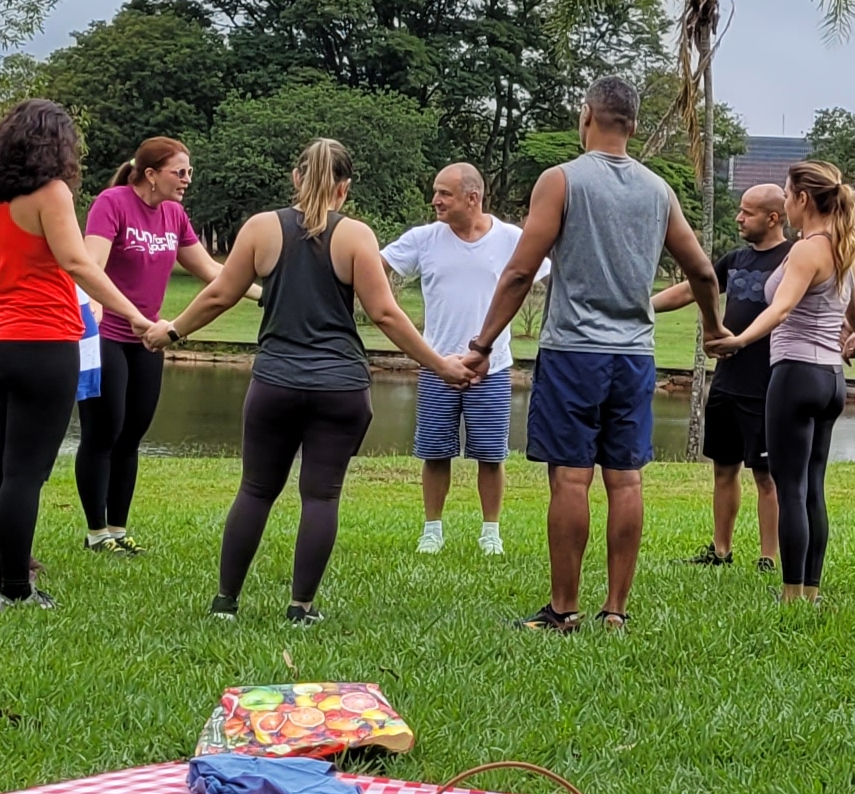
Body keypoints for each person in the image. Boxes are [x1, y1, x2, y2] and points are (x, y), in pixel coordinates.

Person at [461, 76, 724, 632]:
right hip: (634, 357)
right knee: (626, 480)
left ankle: (563, 609)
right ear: (632, 125)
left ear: (587, 116)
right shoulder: (659, 191)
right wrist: (713, 327)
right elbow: (702, 271)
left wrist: (482, 345)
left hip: (573, 353)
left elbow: (520, 272)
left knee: (571, 479)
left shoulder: (561, 180)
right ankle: (616, 611)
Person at [158, 138, 453, 624]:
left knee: (256, 490)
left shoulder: (261, 228)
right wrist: (440, 365)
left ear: (296, 178)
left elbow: (218, 295)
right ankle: (301, 608)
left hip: (275, 383)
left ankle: (225, 603)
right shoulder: (356, 236)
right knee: (321, 495)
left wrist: (170, 331)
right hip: (340, 387)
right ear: (344, 187)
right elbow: (385, 313)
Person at [0, 99, 174, 608]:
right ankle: (17, 590)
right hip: (41, 341)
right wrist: (137, 317)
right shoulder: (52, 192)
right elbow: (79, 264)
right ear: (56, 144)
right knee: (25, 474)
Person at [702, 161, 855, 600]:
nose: (785, 200)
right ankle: (810, 591)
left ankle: (793, 594)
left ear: (801, 199)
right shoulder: (841, 246)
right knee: (812, 486)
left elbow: (780, 309)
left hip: (795, 375)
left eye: (786, 192)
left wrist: (738, 340)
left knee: (790, 487)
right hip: (831, 380)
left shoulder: (805, 250)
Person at [75, 137, 218, 555]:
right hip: (107, 334)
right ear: (151, 174)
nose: (187, 179)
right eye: (180, 172)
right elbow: (90, 265)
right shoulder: (112, 203)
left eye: (190, 172)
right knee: (104, 432)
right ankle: (96, 533)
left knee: (131, 436)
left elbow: (212, 270)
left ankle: (118, 531)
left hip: (148, 339)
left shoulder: (174, 214)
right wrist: (96, 307)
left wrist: (267, 293)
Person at [381, 162, 527, 557]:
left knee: (491, 456)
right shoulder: (423, 239)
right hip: (437, 368)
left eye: (444, 193)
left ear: (472, 197)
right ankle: (432, 531)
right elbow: (373, 270)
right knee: (434, 453)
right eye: (436, 192)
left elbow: (547, 276)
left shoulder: (511, 239)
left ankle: (491, 533)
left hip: (492, 369)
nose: (435, 200)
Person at [653, 183, 793, 570]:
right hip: (727, 381)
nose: (739, 218)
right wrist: (641, 307)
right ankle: (720, 551)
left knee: (766, 476)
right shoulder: (735, 260)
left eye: (747, 212)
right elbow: (690, 290)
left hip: (765, 385)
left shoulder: (792, 259)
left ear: (773, 218)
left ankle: (768, 557)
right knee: (723, 468)